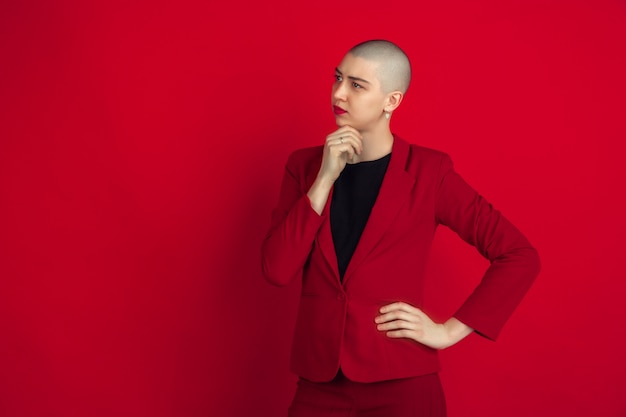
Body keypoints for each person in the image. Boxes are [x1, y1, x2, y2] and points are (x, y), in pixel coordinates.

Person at [261, 39, 540, 417]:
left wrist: (448, 332)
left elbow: (518, 255)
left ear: (391, 101)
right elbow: (277, 270)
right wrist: (324, 179)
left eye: (357, 85)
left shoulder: (429, 172)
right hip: (318, 384)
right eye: (338, 78)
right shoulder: (304, 166)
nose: (339, 92)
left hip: (402, 385)